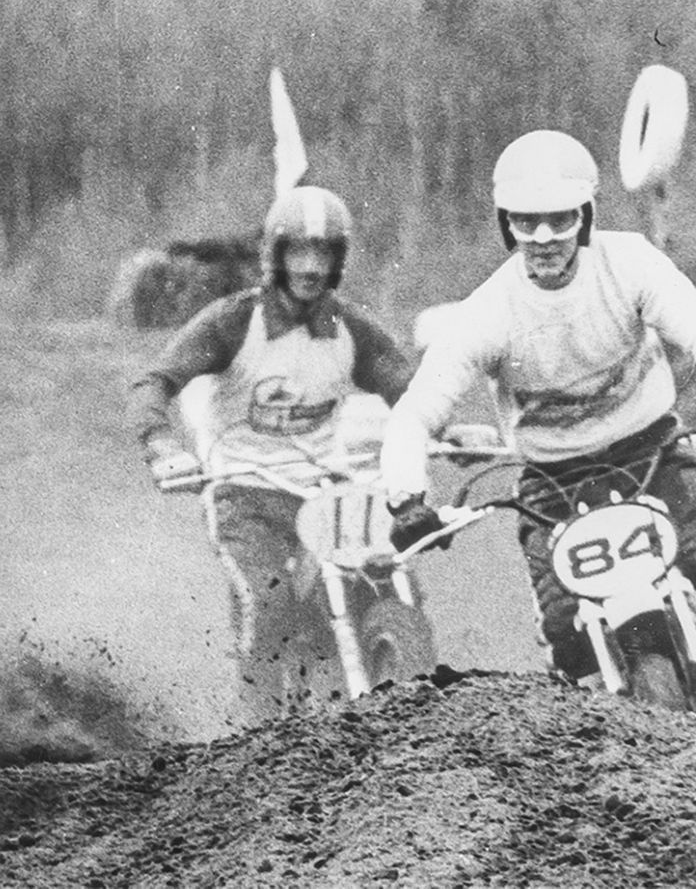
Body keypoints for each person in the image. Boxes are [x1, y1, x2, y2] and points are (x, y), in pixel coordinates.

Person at [384, 129, 696, 683]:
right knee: (566, 630)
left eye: (561, 218)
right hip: (553, 482)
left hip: (653, 452)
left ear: (587, 214)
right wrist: (406, 497)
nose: (545, 237)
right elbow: (416, 412)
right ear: (507, 225)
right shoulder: (488, 312)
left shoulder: (631, 264)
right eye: (527, 222)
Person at [130, 185, 417, 719]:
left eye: (324, 252)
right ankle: (255, 732)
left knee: (387, 578)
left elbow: (409, 386)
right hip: (245, 491)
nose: (311, 267)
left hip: (322, 491)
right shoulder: (234, 322)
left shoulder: (347, 327)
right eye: (299, 252)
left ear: (339, 259)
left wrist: (445, 423)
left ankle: (402, 709)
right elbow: (156, 379)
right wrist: (160, 442)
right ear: (274, 255)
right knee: (271, 602)